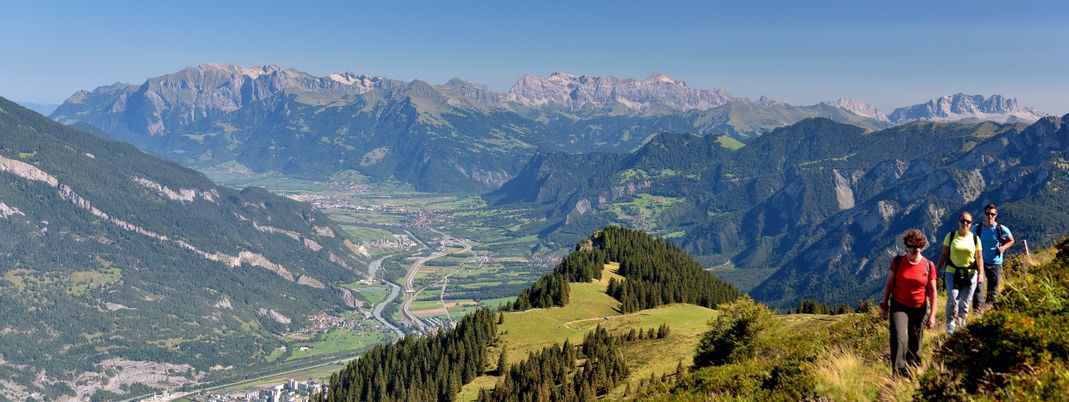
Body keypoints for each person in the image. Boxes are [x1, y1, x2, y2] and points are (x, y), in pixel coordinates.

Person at [880, 229, 938, 376]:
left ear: (922, 247)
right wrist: (884, 305)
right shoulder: (898, 261)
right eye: (910, 246)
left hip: (919, 308)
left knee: (915, 342)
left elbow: (933, 292)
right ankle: (898, 373)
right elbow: (889, 284)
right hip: (899, 306)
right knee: (899, 338)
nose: (913, 249)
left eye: (916, 247)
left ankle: (913, 369)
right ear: (906, 245)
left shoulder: (928, 265)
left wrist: (932, 315)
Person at [936, 211, 984, 333]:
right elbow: (944, 254)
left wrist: (981, 274)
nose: (965, 223)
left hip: (971, 273)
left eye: (968, 222)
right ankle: (950, 326)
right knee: (953, 299)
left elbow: (979, 257)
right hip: (952, 272)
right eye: (963, 220)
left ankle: (961, 326)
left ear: (971, 224)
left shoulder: (975, 238)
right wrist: (936, 269)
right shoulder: (951, 236)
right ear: (958, 222)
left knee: (965, 302)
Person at [971, 203, 1014, 311]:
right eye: (987, 213)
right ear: (984, 214)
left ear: (996, 215)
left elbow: (1012, 241)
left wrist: (1003, 248)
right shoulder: (977, 228)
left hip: (996, 263)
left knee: (993, 290)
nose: (989, 216)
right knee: (978, 288)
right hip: (980, 263)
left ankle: (988, 311)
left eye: (992, 214)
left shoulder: (1001, 229)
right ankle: (977, 313)